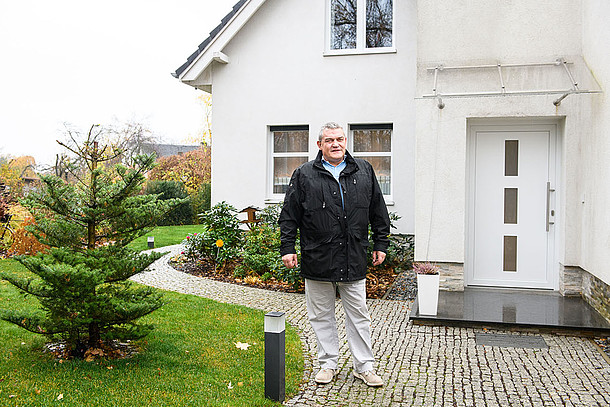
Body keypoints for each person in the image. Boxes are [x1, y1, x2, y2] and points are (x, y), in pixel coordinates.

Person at [279, 122, 390, 387]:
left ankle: (364, 367)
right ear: (319, 145)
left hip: (353, 256)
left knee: (359, 314)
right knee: (321, 315)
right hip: (318, 256)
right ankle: (327, 363)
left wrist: (381, 243)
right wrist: (287, 247)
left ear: (346, 141)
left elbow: (378, 210)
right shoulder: (304, 174)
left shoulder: (363, 170)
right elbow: (289, 215)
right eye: (329, 140)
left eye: (340, 139)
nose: (336, 144)